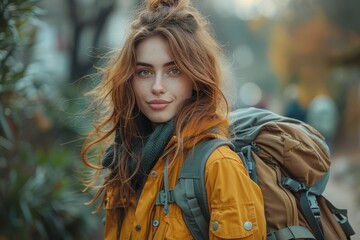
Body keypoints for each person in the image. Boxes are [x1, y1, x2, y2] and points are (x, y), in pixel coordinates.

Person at [81, 0, 266, 239]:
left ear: (195, 79)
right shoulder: (124, 162)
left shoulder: (218, 165)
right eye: (144, 72)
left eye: (174, 70)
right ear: (130, 80)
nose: (157, 87)